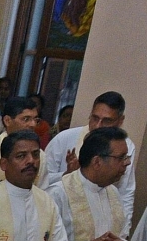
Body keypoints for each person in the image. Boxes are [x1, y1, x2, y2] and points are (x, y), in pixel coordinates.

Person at [40, 89, 138, 226]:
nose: (98, 126)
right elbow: (41, 179)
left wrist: (124, 232)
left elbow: (126, 192)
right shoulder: (64, 139)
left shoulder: (125, 147)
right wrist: (67, 174)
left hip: (102, 210)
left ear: (120, 121)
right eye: (95, 118)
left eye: (106, 121)